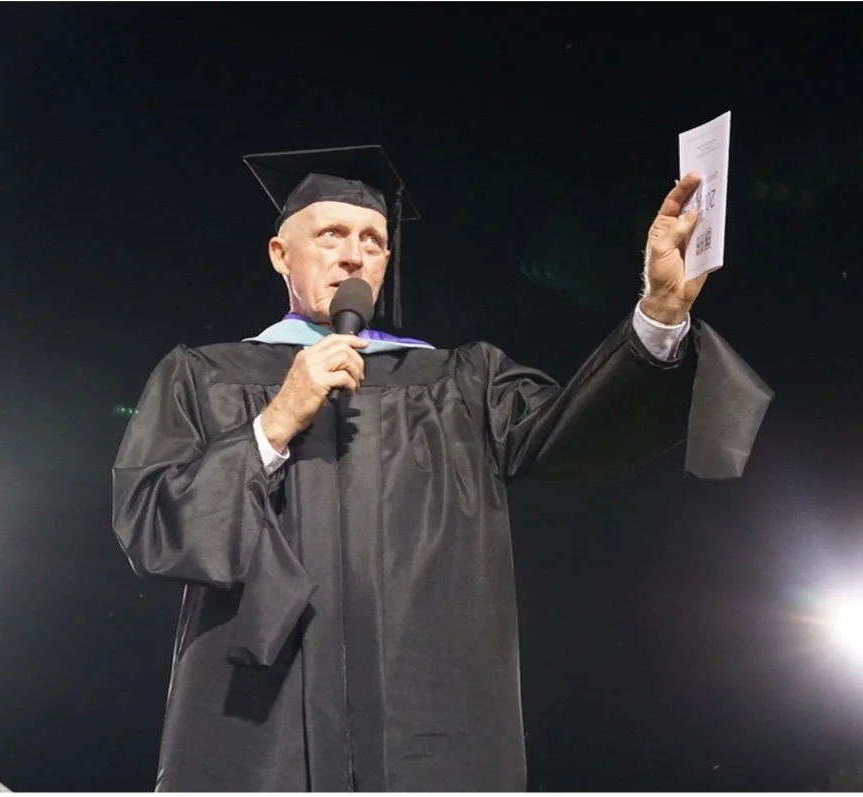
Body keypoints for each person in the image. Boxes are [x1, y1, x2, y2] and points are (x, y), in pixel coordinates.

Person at [112, 145, 771, 792]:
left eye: (371, 239)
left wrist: (659, 313)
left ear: (387, 261)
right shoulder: (203, 376)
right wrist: (275, 421)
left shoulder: (460, 381)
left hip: (426, 728)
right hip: (256, 730)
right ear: (280, 254)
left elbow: (574, 430)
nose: (352, 253)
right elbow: (148, 524)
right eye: (331, 234)